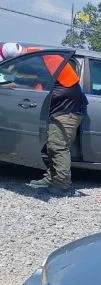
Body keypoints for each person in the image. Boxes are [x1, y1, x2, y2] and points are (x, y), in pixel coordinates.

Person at [2, 43, 88, 194]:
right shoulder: (40, 57)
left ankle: (62, 185)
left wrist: (13, 81)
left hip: (68, 110)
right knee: (52, 145)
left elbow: (35, 82)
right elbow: (34, 82)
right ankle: (51, 177)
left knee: (57, 146)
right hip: (62, 108)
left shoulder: (38, 60)